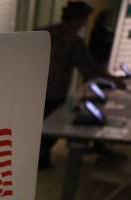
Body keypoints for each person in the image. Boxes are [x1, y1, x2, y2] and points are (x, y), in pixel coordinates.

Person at [38, 2, 126, 169]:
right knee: (48, 129)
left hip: (35, 89)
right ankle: (41, 161)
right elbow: (90, 68)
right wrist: (114, 79)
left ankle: (35, 159)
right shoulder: (74, 41)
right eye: (85, 19)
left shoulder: (43, 32)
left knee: (37, 126)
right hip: (54, 91)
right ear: (78, 19)